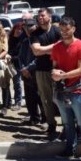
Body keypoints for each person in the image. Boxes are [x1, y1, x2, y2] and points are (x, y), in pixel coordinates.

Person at [51, 16, 81, 161]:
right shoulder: (56, 47)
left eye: (67, 29)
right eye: (61, 30)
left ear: (73, 29)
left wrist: (63, 75)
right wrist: (55, 73)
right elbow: (55, 66)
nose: (63, 32)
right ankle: (70, 149)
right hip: (61, 90)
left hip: (76, 90)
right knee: (67, 123)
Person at [31, 8, 61, 139]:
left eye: (43, 16)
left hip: (59, 69)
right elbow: (36, 51)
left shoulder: (58, 31)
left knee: (62, 98)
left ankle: (67, 125)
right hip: (42, 70)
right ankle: (51, 125)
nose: (40, 18)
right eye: (39, 16)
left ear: (50, 16)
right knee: (46, 99)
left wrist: (46, 50)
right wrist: (55, 48)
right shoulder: (35, 34)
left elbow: (64, 46)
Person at [19, 19, 44, 125]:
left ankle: (45, 118)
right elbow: (21, 57)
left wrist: (28, 68)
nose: (28, 28)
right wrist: (23, 68)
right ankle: (33, 117)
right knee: (29, 97)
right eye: (26, 26)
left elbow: (39, 57)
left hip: (36, 71)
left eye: (30, 26)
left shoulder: (40, 39)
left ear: (36, 26)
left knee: (40, 97)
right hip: (26, 74)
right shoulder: (25, 41)